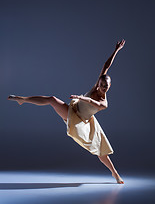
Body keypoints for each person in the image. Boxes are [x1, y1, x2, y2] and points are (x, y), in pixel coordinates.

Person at [8, 39, 125, 184]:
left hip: (81, 122)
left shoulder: (104, 103)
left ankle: (115, 173)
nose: (102, 88)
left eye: (105, 86)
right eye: (101, 85)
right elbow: (106, 66)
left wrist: (80, 97)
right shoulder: (96, 87)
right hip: (73, 110)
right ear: (99, 83)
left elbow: (92, 102)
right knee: (52, 99)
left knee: (102, 151)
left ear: (110, 85)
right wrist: (116, 51)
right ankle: (22, 99)